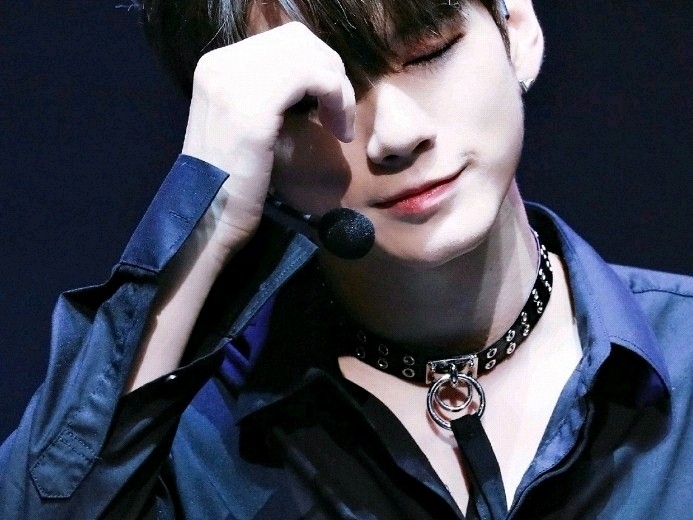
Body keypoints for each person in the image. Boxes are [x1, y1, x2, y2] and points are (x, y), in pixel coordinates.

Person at [1, 0, 691, 518]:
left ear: (518, 28)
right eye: (314, 101)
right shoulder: (189, 440)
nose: (394, 136)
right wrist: (206, 214)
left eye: (429, 50)